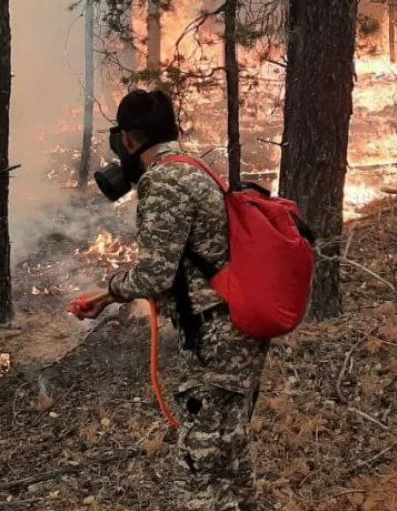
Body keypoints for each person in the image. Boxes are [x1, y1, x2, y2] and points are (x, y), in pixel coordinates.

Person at [76, 88, 267, 511]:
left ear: (129, 140)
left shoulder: (163, 180)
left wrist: (108, 292)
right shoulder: (195, 167)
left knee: (196, 470)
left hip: (217, 339)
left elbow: (155, 273)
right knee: (230, 451)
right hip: (239, 330)